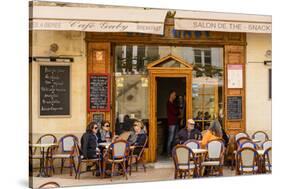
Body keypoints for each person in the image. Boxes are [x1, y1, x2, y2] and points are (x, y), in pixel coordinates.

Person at [167, 90, 180, 156]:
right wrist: (177, 110)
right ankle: (169, 153)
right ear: (171, 95)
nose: (175, 96)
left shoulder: (173, 103)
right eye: (174, 95)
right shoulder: (169, 103)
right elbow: (175, 112)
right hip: (171, 123)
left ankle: (173, 152)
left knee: (175, 138)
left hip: (175, 122)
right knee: (171, 138)